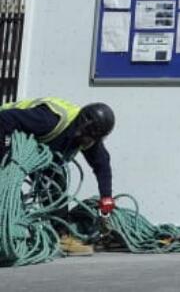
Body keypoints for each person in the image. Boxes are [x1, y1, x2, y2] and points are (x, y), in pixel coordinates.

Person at [0, 98, 116, 256]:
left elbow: (102, 165)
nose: (91, 142)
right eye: (90, 137)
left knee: (55, 184)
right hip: (5, 127)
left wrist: (106, 197)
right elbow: (5, 118)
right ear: (83, 127)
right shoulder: (50, 120)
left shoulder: (89, 138)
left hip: (37, 148)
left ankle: (61, 237)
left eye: (95, 139)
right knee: (7, 184)